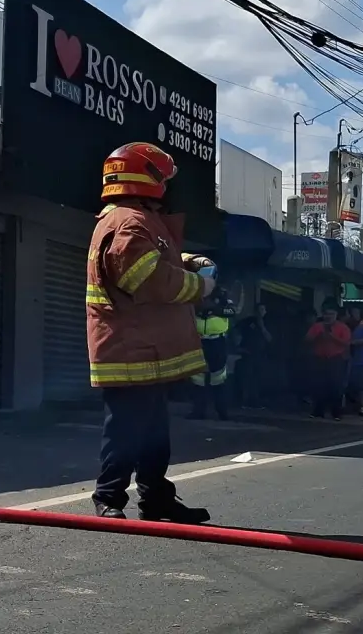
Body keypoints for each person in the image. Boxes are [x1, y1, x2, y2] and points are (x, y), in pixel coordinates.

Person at [86, 142, 215, 524]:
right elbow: (146, 278)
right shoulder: (128, 222)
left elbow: (156, 258)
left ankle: (156, 499)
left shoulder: (134, 219)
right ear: (150, 179)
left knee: (154, 432)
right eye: (165, 178)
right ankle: (108, 497)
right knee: (127, 430)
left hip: (144, 349)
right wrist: (199, 286)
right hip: (131, 349)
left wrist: (189, 260)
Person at [187, 273, 235, 421]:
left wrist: (214, 309)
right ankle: (198, 411)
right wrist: (199, 310)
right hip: (198, 340)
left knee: (219, 377)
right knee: (197, 377)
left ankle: (222, 412)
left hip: (217, 342)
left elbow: (232, 311)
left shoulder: (222, 294)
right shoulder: (194, 294)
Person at [305, 306, 351, 420]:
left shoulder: (342, 327)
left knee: (336, 386)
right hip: (319, 359)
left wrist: (332, 337)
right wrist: (318, 336)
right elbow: (307, 339)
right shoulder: (317, 326)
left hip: (336, 359)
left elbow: (346, 343)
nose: (329, 316)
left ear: (336, 315)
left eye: (331, 314)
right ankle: (318, 411)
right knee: (319, 385)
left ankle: (336, 412)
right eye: (326, 314)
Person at [235, 303, 271, 409]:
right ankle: (245, 402)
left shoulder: (267, 322)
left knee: (258, 380)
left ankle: (256, 402)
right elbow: (236, 331)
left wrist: (262, 327)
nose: (261, 312)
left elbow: (270, 339)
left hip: (261, 355)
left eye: (263, 309)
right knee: (247, 378)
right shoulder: (248, 321)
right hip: (248, 354)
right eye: (259, 310)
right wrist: (238, 347)